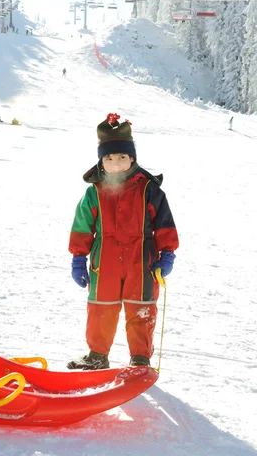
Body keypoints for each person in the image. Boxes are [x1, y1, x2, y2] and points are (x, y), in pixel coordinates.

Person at [67, 113, 179, 370]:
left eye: (121, 158)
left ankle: (140, 358)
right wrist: (78, 257)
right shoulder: (94, 192)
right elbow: (82, 226)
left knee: (141, 308)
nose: (116, 164)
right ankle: (97, 355)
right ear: (101, 162)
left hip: (142, 260)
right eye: (109, 158)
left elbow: (164, 224)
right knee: (100, 308)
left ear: (132, 159)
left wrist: (167, 254)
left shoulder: (149, 189)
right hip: (103, 260)